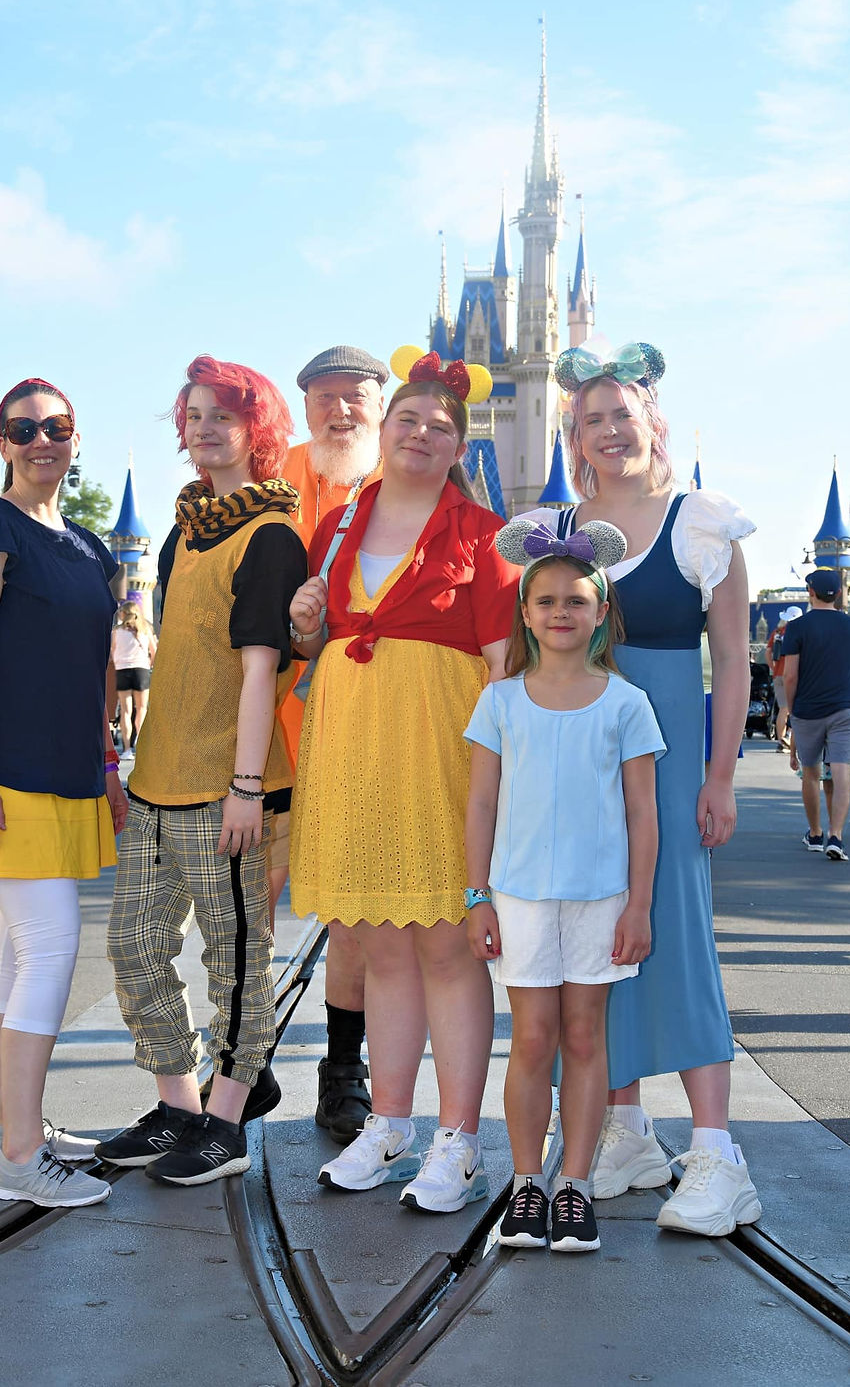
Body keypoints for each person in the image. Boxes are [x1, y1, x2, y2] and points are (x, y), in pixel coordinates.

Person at [289, 348, 520, 1214]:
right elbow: (316, 640)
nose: (423, 434)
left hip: (439, 751)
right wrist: (305, 625)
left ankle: (458, 1139)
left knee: (448, 946)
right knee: (380, 943)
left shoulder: (483, 533)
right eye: (409, 420)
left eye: (441, 426)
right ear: (385, 431)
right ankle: (388, 1122)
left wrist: (495, 784)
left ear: (459, 445)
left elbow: (503, 668)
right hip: (353, 748)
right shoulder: (339, 524)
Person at [542, 339, 762, 1238]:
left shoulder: (701, 521)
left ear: (652, 421)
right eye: (591, 418)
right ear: (575, 434)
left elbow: (733, 660)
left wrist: (720, 775)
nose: (609, 430)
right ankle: (625, 1128)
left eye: (622, 414)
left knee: (677, 934)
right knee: (596, 939)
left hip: (669, 762)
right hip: (580, 762)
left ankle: (716, 1149)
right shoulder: (558, 528)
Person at [0, 377, 128, 1208]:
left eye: (58, 426)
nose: (43, 439)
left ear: (76, 439)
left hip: (68, 773)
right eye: (25, 428)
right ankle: (19, 1156)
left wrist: (107, 764)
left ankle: (9, 1119)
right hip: (6, 776)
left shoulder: (88, 546)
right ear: (2, 442)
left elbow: (96, 667)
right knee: (50, 943)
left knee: (16, 947)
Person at [96, 356, 307, 1185]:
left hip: (229, 787)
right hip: (157, 778)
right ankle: (179, 1103)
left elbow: (261, 670)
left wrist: (247, 786)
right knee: (134, 945)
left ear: (258, 428)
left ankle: (227, 1121)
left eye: (225, 413)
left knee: (236, 962)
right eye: (194, 414)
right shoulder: (184, 531)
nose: (206, 426)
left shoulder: (272, 535)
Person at [465, 519, 664, 1251]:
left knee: (584, 1035)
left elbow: (642, 813)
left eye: (576, 600)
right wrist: (477, 896)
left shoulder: (625, 703)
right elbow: (480, 804)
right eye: (545, 600)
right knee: (532, 1037)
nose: (560, 612)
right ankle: (527, 1184)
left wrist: (639, 904)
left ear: (600, 612)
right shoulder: (500, 701)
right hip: (518, 897)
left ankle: (574, 1185)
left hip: (600, 898)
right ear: (525, 613)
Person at [278, 345, 388, 1146]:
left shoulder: (415, 479)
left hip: (373, 728)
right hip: (273, 729)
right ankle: (237, 1066)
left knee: (359, 910)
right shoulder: (276, 478)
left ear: (381, 405)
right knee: (245, 910)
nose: (340, 410)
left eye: (356, 396)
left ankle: (345, 1069)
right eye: (325, 397)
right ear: (305, 407)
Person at [783, 569, 850, 861]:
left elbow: (790, 676)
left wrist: (791, 709)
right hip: (844, 708)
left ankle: (815, 833)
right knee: (842, 771)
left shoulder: (797, 627)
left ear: (810, 592)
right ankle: (836, 836)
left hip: (808, 710)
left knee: (810, 773)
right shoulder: (849, 625)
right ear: (839, 594)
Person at [111, 601, 157, 756]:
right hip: (141, 670)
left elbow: (113, 651)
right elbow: (154, 651)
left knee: (125, 710)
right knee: (142, 709)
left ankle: (126, 749)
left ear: (124, 614)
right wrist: (149, 664)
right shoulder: (145, 630)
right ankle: (141, 745)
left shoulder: (117, 631)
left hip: (122, 670)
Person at [766, 607, 803, 749]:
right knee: (794, 709)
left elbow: (768, 652)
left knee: (783, 709)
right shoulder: (798, 633)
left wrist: (774, 668)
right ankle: (789, 738)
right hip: (794, 674)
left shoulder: (777, 632)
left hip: (778, 674)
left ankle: (780, 740)